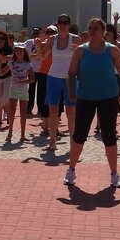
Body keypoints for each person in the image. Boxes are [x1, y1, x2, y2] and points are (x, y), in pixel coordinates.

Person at [63, 18, 120, 189]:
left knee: (109, 136)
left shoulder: (112, 50)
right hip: (85, 97)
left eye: (96, 28)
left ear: (103, 31)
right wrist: (71, 90)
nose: (92, 31)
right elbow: (71, 73)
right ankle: (71, 170)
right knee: (79, 135)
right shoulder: (81, 51)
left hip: (108, 98)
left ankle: (114, 174)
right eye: (90, 28)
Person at [44, 15, 79, 151]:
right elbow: (42, 56)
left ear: (69, 24)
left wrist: (78, 51)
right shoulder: (52, 39)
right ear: (57, 24)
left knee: (70, 112)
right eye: (60, 22)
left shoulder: (75, 39)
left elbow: (82, 57)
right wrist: (39, 47)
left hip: (70, 79)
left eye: (65, 22)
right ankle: (52, 141)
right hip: (53, 77)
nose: (63, 25)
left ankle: (73, 142)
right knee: (53, 111)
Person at [6, 43, 34, 143]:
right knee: (12, 111)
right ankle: (10, 132)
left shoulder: (28, 64)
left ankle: (22, 135)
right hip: (13, 89)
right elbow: (1, 72)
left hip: (24, 90)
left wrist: (23, 82)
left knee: (23, 112)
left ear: (24, 52)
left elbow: (32, 79)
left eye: (21, 50)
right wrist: (0, 62)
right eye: (17, 50)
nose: (19, 52)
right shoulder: (12, 63)